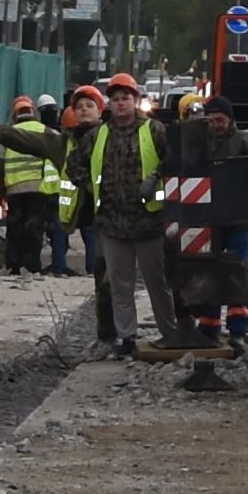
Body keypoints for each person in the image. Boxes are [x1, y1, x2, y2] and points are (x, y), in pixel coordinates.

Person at [74, 73, 181, 359]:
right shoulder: (98, 135)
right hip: (111, 222)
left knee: (156, 282)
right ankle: (127, 338)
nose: (121, 103)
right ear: (110, 103)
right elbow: (75, 165)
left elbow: (174, 159)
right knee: (119, 284)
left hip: (148, 221)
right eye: (116, 99)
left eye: (126, 98)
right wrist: (91, 186)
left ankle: (169, 333)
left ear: (136, 101)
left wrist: (156, 177)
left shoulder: (154, 130)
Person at [0, 89, 71, 275]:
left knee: (15, 227)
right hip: (38, 188)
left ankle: (13, 265)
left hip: (14, 189)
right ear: (33, 112)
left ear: (15, 114)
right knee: (34, 227)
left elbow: (0, 165)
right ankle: (32, 265)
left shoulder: (7, 134)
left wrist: (1, 189)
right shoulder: (45, 131)